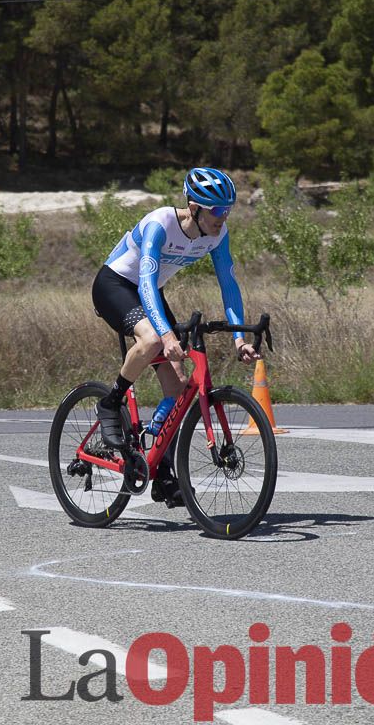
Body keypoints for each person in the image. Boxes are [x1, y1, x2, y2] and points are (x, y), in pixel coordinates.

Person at [90, 167, 260, 506]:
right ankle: (110, 404)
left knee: (179, 384)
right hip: (116, 285)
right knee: (153, 340)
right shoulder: (160, 224)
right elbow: (147, 283)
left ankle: (163, 473)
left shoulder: (216, 234)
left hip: (148, 293)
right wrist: (166, 335)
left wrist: (239, 338)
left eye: (228, 210)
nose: (222, 218)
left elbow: (228, 285)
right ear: (194, 207)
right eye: (216, 211)